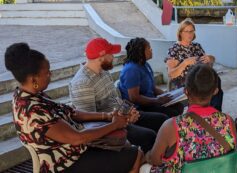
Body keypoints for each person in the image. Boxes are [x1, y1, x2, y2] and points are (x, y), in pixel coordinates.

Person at [4, 42, 142, 173]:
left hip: (75, 150)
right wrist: (114, 125)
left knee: (127, 144)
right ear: (33, 79)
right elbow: (78, 138)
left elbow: (72, 112)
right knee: (136, 154)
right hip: (64, 164)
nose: (50, 75)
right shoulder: (32, 111)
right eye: (47, 73)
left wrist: (108, 116)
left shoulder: (29, 95)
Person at [69, 38, 168, 153]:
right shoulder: (83, 82)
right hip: (109, 127)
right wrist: (122, 119)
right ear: (101, 57)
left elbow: (115, 99)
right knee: (148, 136)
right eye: (111, 54)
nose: (113, 57)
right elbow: (91, 122)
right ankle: (150, 163)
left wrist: (130, 111)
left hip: (121, 118)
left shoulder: (103, 71)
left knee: (161, 120)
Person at [143, 64, 237, 173]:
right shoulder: (228, 121)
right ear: (215, 91)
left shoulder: (171, 126)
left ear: (186, 91)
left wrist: (147, 155)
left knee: (144, 167)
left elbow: (156, 160)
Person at [165, 18, 223, 111]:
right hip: (184, 82)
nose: (189, 34)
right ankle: (203, 113)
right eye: (186, 31)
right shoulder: (174, 49)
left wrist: (210, 59)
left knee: (216, 80)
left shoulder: (197, 46)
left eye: (191, 31)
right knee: (205, 87)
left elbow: (207, 65)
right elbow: (171, 74)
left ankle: (214, 112)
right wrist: (185, 63)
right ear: (180, 33)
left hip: (199, 79)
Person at [118, 37, 184, 118]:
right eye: (148, 48)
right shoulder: (131, 70)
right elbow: (134, 98)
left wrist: (169, 96)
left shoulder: (145, 64)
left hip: (150, 102)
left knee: (178, 106)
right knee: (168, 114)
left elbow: (153, 88)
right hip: (138, 108)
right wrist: (157, 101)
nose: (151, 50)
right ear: (140, 52)